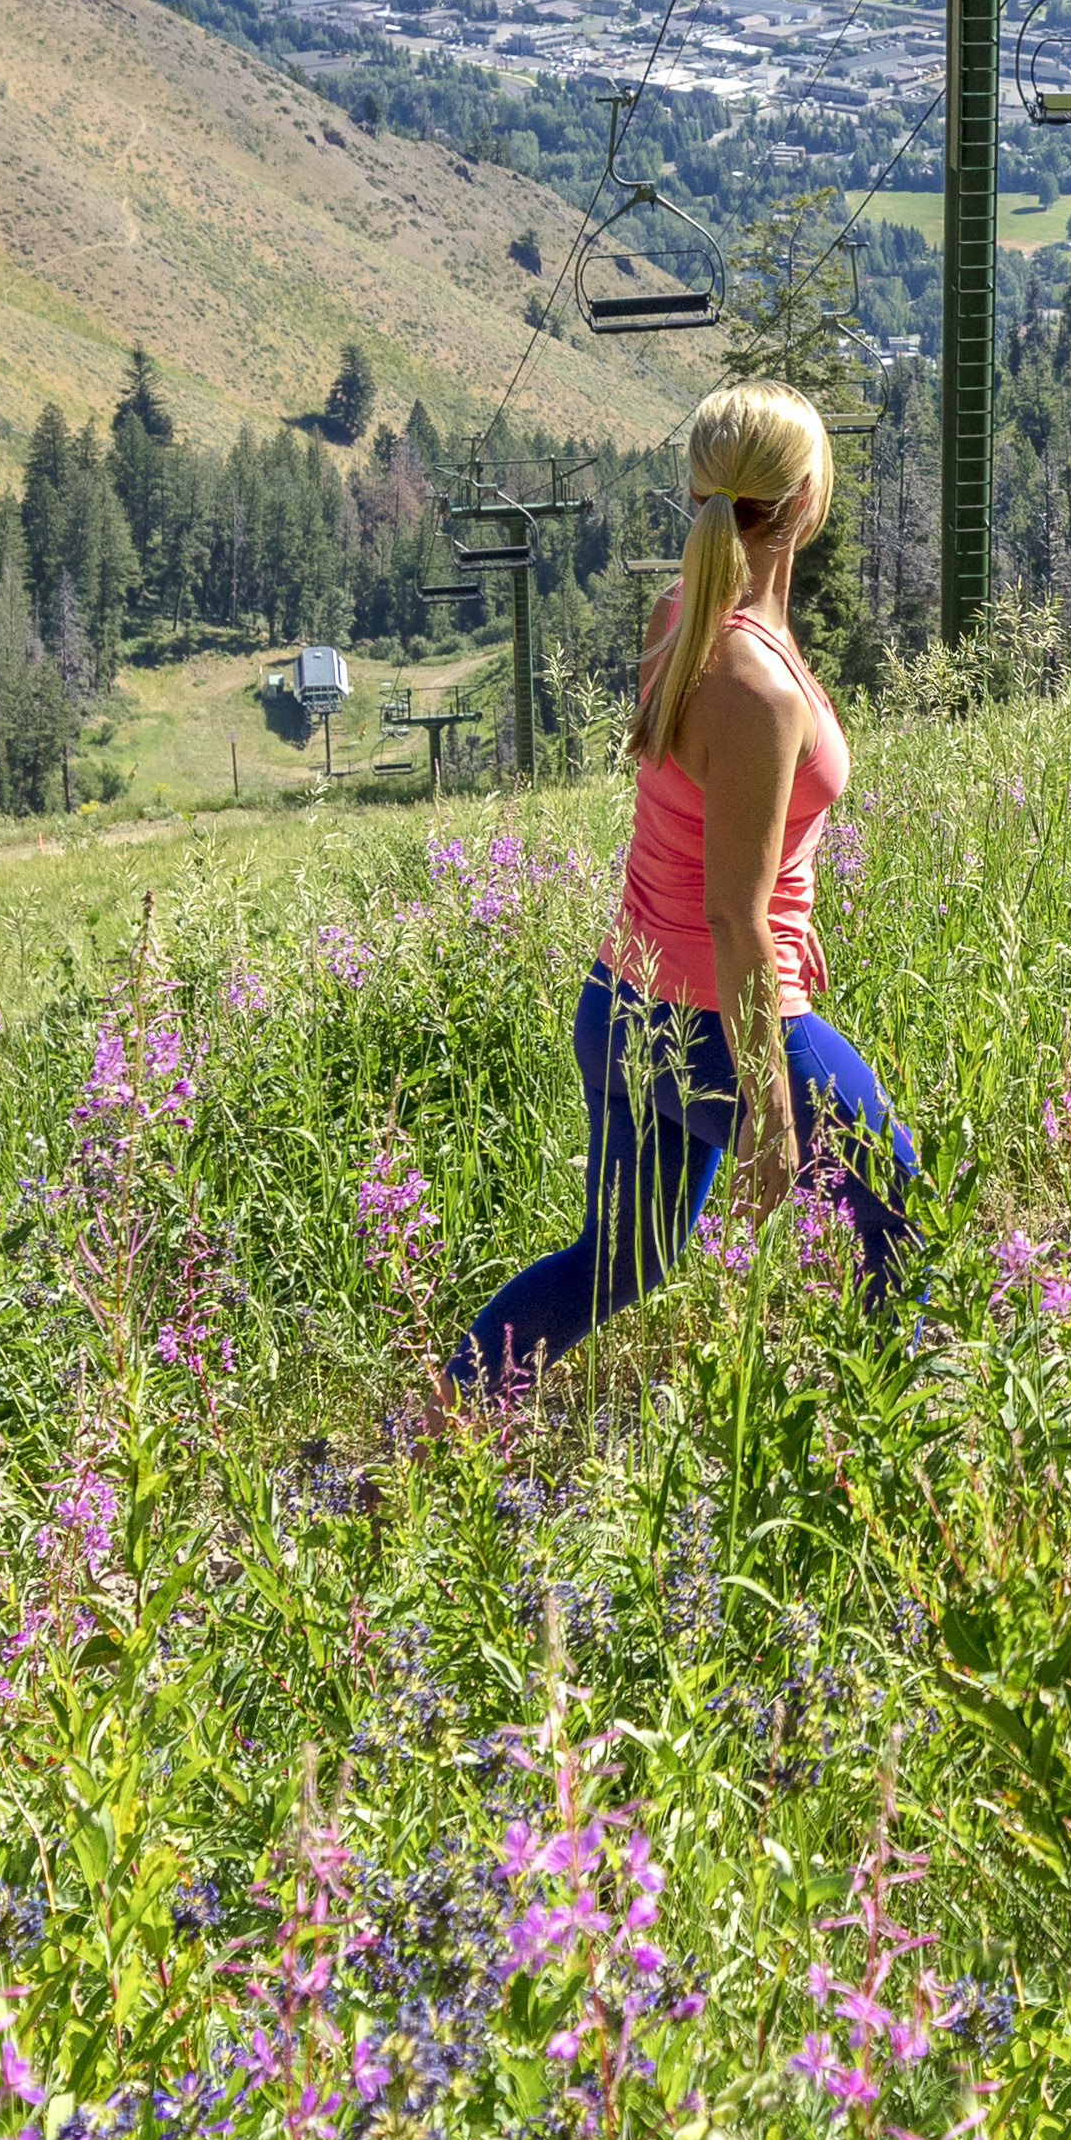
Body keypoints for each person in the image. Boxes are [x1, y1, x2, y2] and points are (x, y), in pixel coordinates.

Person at [450, 376, 914, 1385]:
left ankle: (442, 1421)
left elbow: (700, 818)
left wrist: (788, 897)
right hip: (714, 1020)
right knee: (900, 1201)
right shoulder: (755, 682)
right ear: (805, 502)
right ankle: (892, 1436)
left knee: (619, 1259)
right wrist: (770, 1114)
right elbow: (732, 916)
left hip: (620, 1000)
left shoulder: (684, 612)